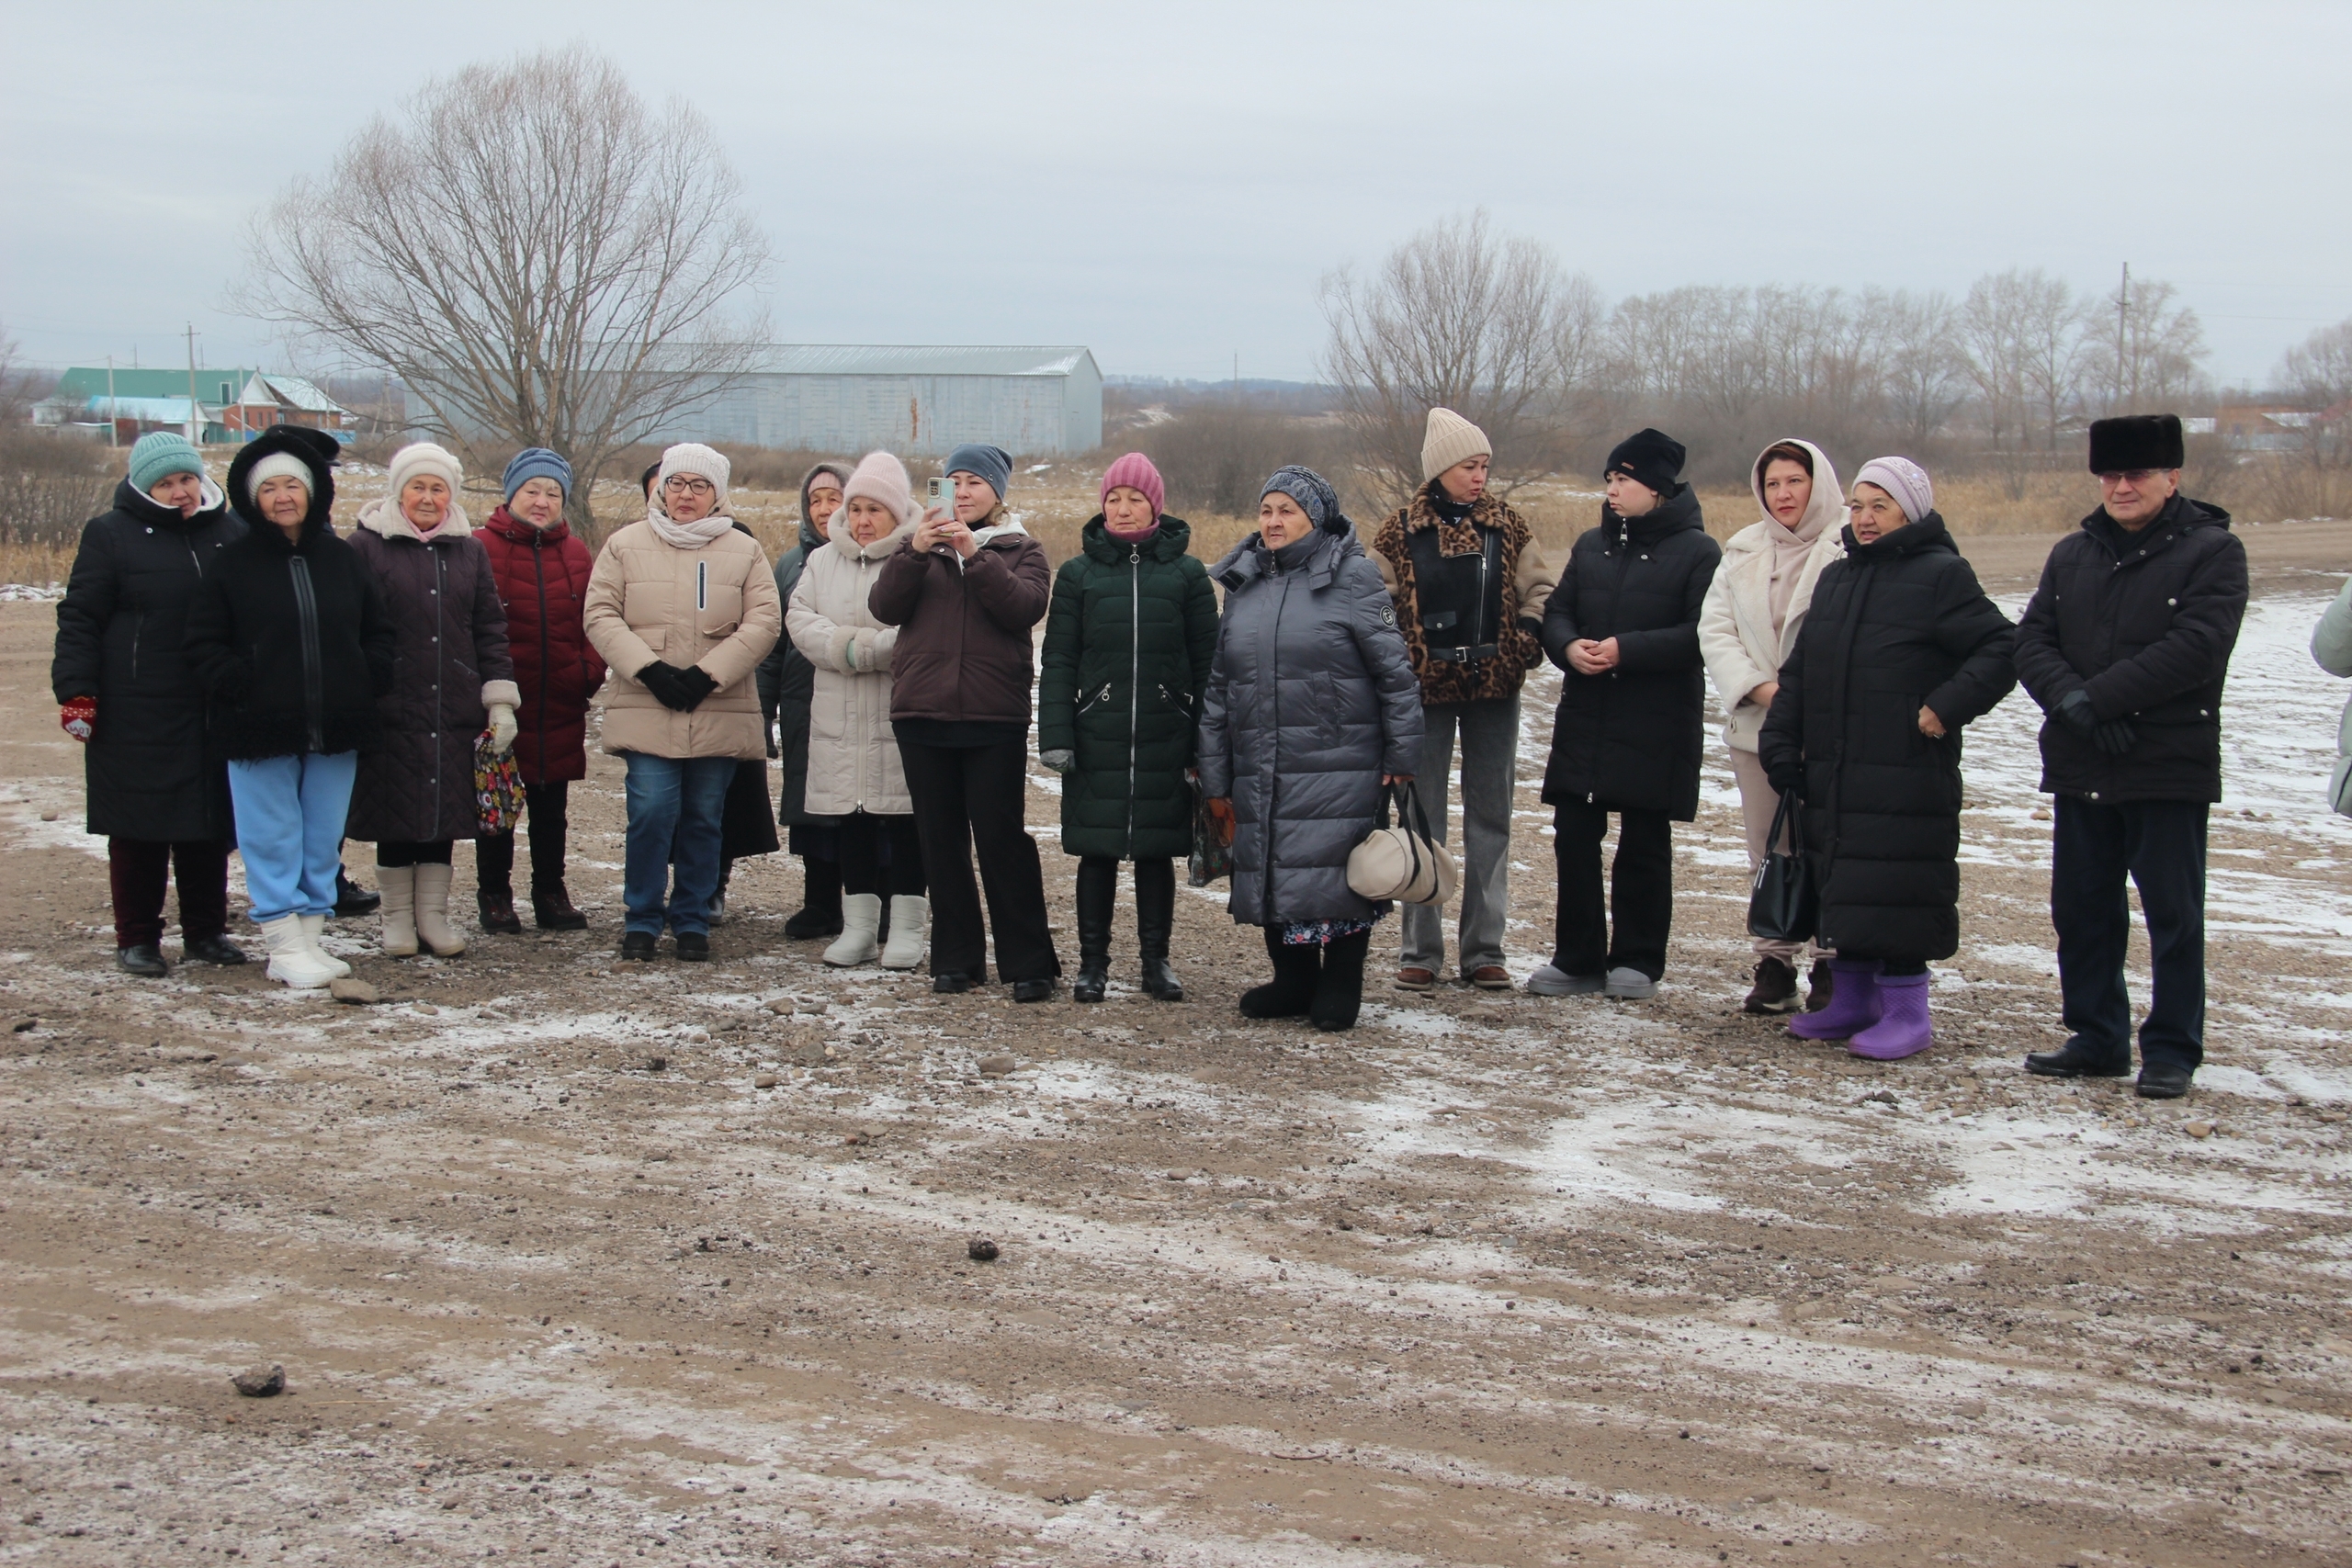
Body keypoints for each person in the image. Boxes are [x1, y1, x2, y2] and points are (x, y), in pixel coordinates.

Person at [2015, 415, 2248, 1100]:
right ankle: (2097, 1036)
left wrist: (2101, 700)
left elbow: (2198, 645)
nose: (2121, 487)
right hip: (2083, 758)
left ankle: (2172, 1048)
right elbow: (2032, 640)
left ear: (2172, 476)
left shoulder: (2213, 551)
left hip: (2167, 762)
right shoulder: (2072, 553)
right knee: (2082, 907)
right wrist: (2074, 704)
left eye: (2136, 474)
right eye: (2110, 475)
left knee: (2172, 912)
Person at [1758, 457, 2017, 1059]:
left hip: (1905, 768)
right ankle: (1853, 998)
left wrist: (1946, 706)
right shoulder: (1838, 577)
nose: (1866, 519)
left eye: (1881, 506)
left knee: (1899, 885)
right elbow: (1801, 669)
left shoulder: (1942, 574)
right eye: (1857, 506)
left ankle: (1906, 1010)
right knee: (1845, 882)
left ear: (1911, 509)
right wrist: (1781, 740)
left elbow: (2001, 647)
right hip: (1835, 768)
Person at [1197, 466, 1422, 1032]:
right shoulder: (1245, 582)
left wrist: (1402, 756)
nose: (1273, 522)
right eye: (1267, 511)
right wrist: (1215, 770)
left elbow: (1395, 674)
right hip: (1260, 757)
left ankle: (1342, 980)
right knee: (1273, 862)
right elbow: (1221, 686)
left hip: (1338, 757)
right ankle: (1293, 979)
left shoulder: (1355, 578)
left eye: (1287, 511)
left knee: (1337, 871)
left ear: (1315, 518)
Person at [185, 425, 393, 988]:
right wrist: (237, 682)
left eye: (293, 486)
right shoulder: (232, 562)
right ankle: (281, 942)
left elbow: (378, 629)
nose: (283, 496)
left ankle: (311, 938)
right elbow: (203, 642)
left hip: (337, 719)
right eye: (270, 487)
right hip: (259, 725)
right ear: (253, 497)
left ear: (313, 492)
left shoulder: (342, 559)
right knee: (271, 833)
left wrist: (369, 673)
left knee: (322, 834)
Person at [1368, 409, 1558, 995]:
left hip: (1495, 691)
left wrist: (1526, 637)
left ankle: (1485, 949)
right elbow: (1373, 601)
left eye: (1484, 466)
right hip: (1421, 694)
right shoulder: (1397, 531)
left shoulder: (1510, 526)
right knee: (1421, 819)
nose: (1479, 476)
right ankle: (1420, 950)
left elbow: (1541, 589)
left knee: (1492, 819)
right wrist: (1398, 655)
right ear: (1440, 468)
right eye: (1469, 465)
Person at [1532, 429, 1721, 999]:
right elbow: (1558, 610)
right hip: (1587, 714)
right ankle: (1578, 957)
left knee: (1643, 840)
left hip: (1654, 718)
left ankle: (1637, 960)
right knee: (1574, 834)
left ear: (1658, 488)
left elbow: (1701, 634)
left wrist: (1625, 650)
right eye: (1610, 479)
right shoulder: (1592, 546)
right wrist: (1567, 648)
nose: (1612, 489)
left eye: (1624, 479)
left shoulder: (1700, 552)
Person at [52, 432, 248, 977]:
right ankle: (137, 938)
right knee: (139, 826)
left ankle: (207, 932)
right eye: (166, 483)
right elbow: (81, 616)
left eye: (186, 479)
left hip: (213, 702)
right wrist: (76, 689)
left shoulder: (229, 532)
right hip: (136, 704)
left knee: (208, 824)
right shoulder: (111, 535)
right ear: (143, 488)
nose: (180, 492)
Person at [869, 441, 1059, 1000]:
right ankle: (956, 960)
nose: (963, 491)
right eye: (953, 481)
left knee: (1002, 839)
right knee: (940, 842)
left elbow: (1023, 608)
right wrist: (914, 552)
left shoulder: (1022, 549)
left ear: (997, 492)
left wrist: (974, 555)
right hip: (921, 713)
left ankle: (1029, 964)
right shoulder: (915, 548)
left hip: (991, 716)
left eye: (975, 481)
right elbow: (885, 608)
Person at [583, 443, 782, 961]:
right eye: (677, 483)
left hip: (716, 705)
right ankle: (642, 918)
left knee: (703, 816)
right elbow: (600, 613)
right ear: (661, 488)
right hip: (647, 702)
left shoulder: (744, 549)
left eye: (699, 485)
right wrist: (648, 669)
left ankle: (693, 917)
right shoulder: (624, 544)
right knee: (650, 811)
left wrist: (708, 675)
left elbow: (764, 622)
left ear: (718, 494)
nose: (685, 495)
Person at [1038, 452, 1218, 1003]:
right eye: (1114, 498)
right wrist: (1058, 735)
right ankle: (1092, 964)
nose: (1122, 508)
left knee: (1155, 852)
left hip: (1168, 731)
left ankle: (1155, 962)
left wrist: (1206, 740)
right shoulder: (1078, 575)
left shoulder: (1187, 575)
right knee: (1096, 850)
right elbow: (1060, 660)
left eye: (1134, 498)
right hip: (1098, 734)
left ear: (1154, 505)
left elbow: (1210, 663)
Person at [345, 443, 518, 960]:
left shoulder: (469, 550)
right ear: (398, 490)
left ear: (451, 496)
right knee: (395, 812)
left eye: (437, 488)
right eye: (417, 486)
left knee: (443, 814)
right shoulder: (365, 546)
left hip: (453, 706)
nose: (427, 497)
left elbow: (489, 628)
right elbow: (350, 627)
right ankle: (398, 920)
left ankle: (433, 917)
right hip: (390, 705)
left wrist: (499, 700)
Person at [1699, 438, 1849, 1014]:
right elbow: (1716, 632)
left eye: (1795, 481)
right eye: (1772, 484)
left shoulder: (1849, 542)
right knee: (1769, 844)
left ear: (1820, 484)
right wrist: (1764, 690)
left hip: (1830, 725)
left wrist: (1808, 694)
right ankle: (1774, 960)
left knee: (1828, 842)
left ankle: (1832, 961)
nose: (1783, 494)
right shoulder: (1742, 550)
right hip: (1760, 723)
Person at [786, 451, 927, 969]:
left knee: (907, 819)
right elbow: (800, 620)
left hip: (903, 711)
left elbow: (923, 628)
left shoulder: (918, 556)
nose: (863, 520)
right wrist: (853, 649)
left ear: (897, 514)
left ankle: (908, 929)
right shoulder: (822, 560)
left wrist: (868, 650)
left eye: (876, 510)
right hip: (839, 716)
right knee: (854, 821)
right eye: (857, 508)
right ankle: (859, 929)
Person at [473, 448, 605, 932]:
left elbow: (595, 619)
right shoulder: (479, 546)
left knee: (552, 810)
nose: (542, 501)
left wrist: (587, 670)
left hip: (561, 699)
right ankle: (494, 895)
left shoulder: (576, 553)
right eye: (532, 490)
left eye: (553, 493)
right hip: (503, 702)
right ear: (512, 495)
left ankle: (550, 891)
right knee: (498, 807)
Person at [759, 461, 854, 941]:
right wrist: (764, 708)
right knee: (812, 803)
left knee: (864, 804)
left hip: (859, 700)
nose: (823, 509)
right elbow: (773, 647)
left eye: (834, 498)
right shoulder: (788, 564)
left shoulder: (876, 554)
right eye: (815, 500)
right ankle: (820, 903)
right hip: (804, 701)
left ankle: (868, 904)